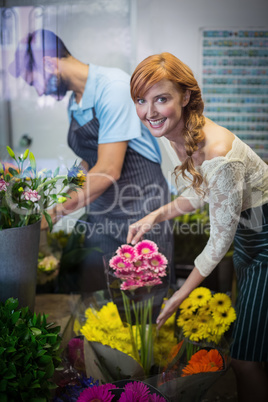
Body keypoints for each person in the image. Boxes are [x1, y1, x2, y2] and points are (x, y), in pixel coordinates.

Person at [127, 52, 268, 402]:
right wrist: (152, 217)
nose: (150, 112)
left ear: (186, 97)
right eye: (141, 100)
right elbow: (199, 194)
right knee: (253, 346)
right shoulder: (178, 134)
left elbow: (219, 241)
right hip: (250, 242)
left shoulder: (218, 154)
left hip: (264, 243)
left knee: (244, 361)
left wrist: (179, 295)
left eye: (161, 99)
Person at [8, 30, 174, 293]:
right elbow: (89, 161)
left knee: (142, 299)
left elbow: (108, 169)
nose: (38, 90)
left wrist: (52, 214)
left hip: (140, 207)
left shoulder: (114, 88)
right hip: (103, 210)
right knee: (101, 294)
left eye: (35, 81)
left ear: (49, 63)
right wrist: (57, 195)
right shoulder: (75, 101)